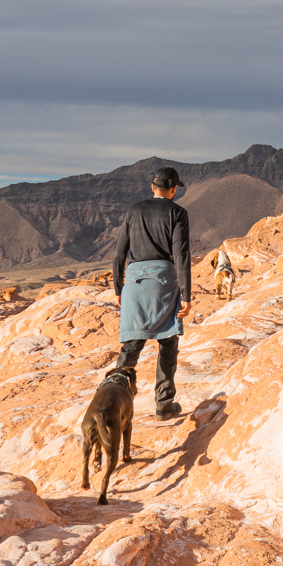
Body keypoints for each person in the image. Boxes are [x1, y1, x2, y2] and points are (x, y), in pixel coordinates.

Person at [112, 166, 191, 419]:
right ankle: (164, 405)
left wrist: (118, 288)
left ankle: (114, 404)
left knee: (131, 346)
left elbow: (119, 253)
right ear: (173, 189)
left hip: (134, 283)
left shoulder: (133, 211)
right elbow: (181, 255)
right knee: (168, 343)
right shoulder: (178, 213)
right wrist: (187, 296)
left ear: (152, 187)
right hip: (163, 283)